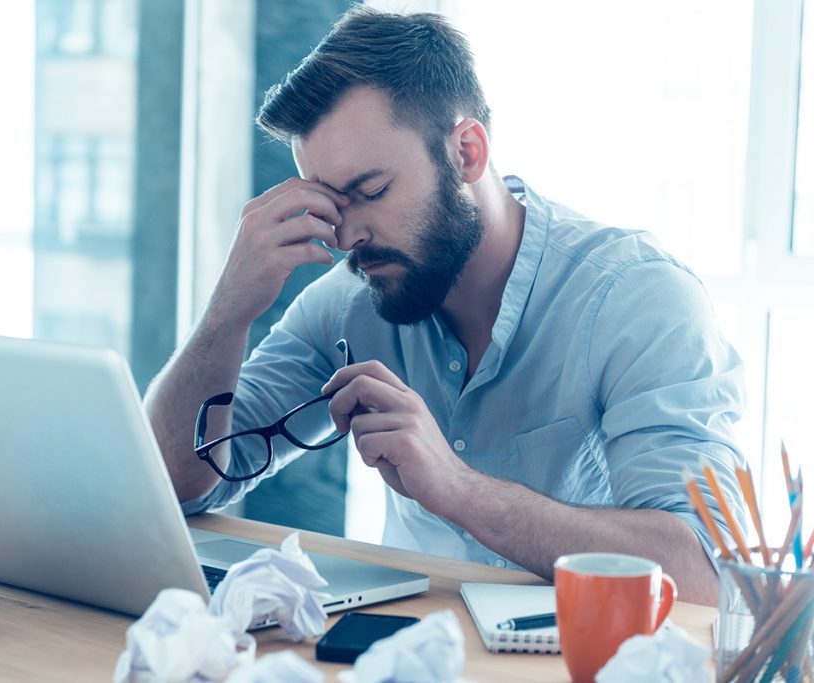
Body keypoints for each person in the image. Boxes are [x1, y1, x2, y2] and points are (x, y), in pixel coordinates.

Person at [144, 7, 745, 605]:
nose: (348, 236)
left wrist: (459, 488)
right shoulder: (347, 306)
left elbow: (703, 575)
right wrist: (228, 311)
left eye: (371, 191)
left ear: (467, 151)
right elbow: (180, 484)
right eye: (329, 205)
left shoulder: (637, 301)